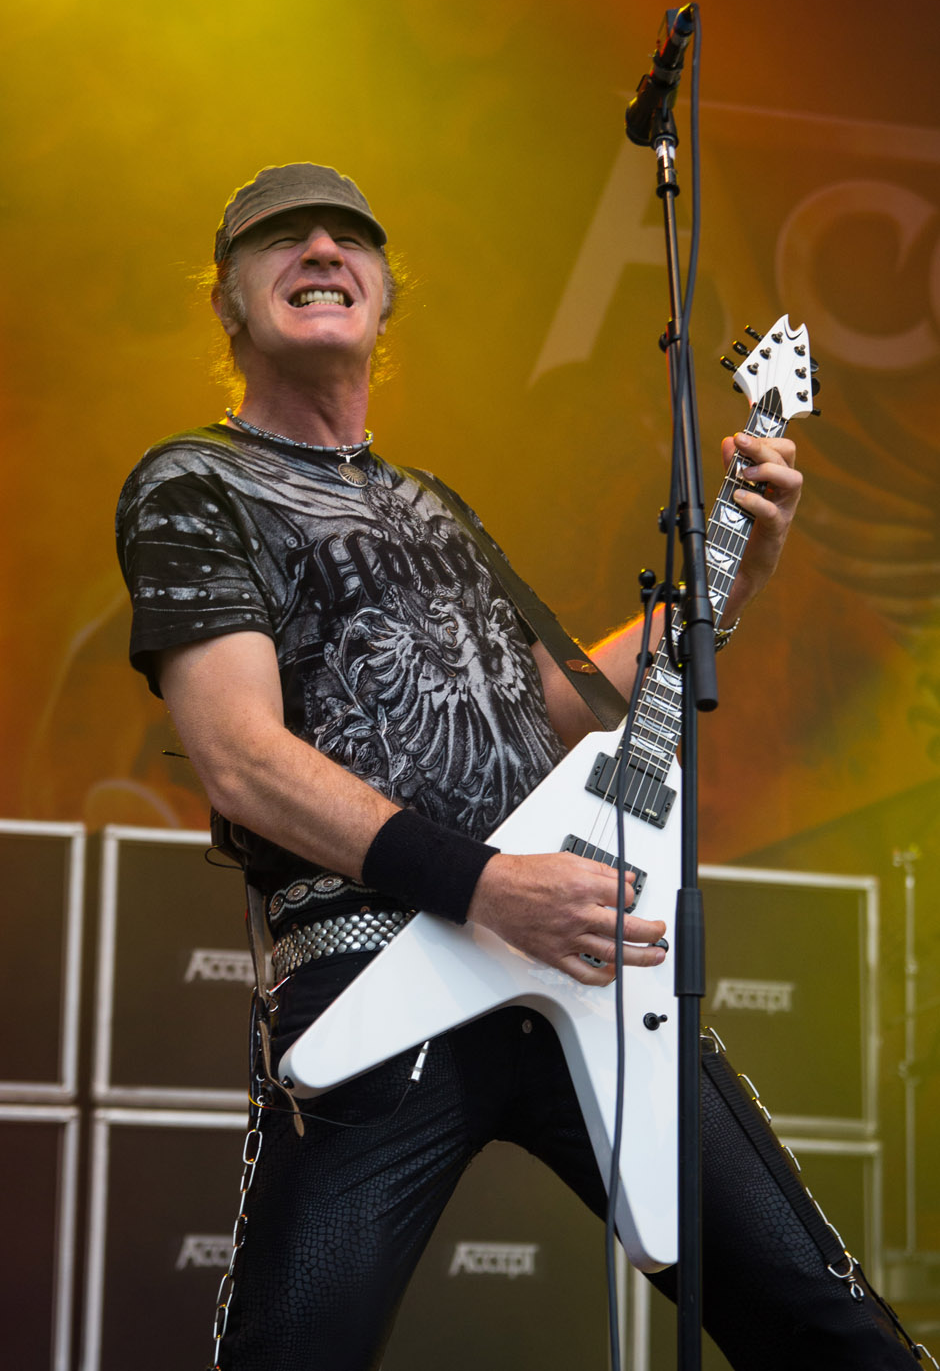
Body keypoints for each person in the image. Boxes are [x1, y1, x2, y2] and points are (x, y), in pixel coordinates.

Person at [116, 163, 927, 1370]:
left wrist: (732, 581)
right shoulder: (194, 483)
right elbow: (240, 758)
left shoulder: (434, 507)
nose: (322, 248)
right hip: (378, 970)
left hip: (578, 959)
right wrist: (482, 884)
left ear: (386, 297)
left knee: (829, 1331)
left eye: (350, 238)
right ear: (228, 300)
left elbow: (567, 703)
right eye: (283, 239)